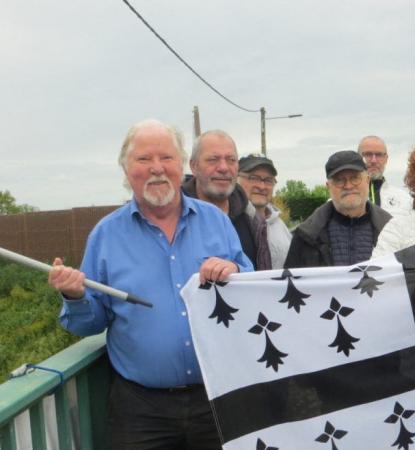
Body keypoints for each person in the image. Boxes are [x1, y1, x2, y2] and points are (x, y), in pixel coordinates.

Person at [48, 119, 253, 450]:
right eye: (144, 159)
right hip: (141, 411)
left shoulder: (215, 220)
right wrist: (75, 295)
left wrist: (235, 269)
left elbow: (248, 280)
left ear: (182, 165)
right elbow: (89, 324)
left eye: (166, 158)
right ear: (126, 169)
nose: (157, 168)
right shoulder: (105, 235)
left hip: (216, 396)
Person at [284, 150, 391, 268]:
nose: (348, 186)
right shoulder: (305, 237)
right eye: (339, 180)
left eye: (355, 178)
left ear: (367, 181)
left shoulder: (393, 230)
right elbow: (291, 283)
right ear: (328, 187)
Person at [183, 129, 259, 268]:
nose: (223, 168)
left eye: (231, 160)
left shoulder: (252, 218)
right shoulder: (173, 216)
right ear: (194, 166)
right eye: (213, 159)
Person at [237, 154, 291, 270]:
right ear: (236, 179)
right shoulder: (229, 220)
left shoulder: (280, 226)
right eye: (254, 178)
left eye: (268, 180)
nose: (262, 186)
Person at [357, 135, 412, 217]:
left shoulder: (404, 199)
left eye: (379, 155)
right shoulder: (344, 198)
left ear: (386, 159)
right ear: (358, 158)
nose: (373, 160)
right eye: (368, 154)